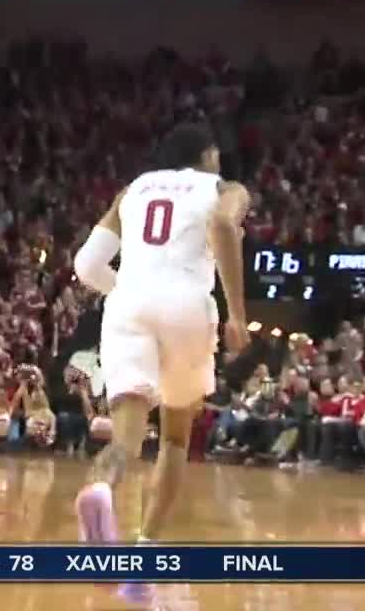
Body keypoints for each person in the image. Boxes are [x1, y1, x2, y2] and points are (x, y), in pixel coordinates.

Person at [71, 123, 249, 603]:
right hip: (188, 308)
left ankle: (102, 488)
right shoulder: (225, 188)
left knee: (126, 437)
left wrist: (128, 294)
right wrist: (237, 315)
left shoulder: (132, 190)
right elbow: (223, 226)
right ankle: (141, 563)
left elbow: (86, 267)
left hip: (128, 308)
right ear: (208, 155)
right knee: (173, 439)